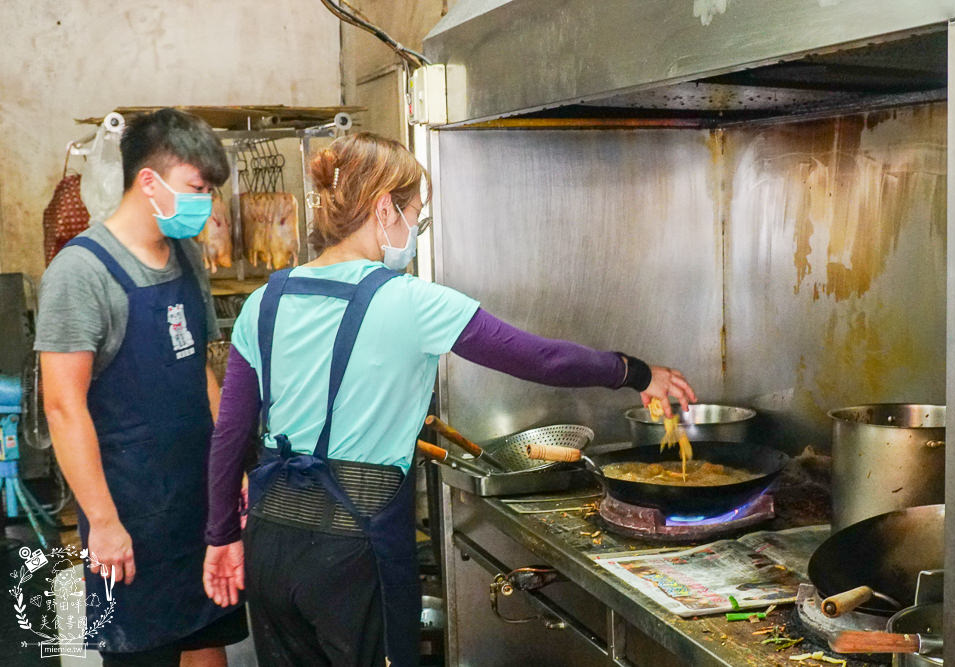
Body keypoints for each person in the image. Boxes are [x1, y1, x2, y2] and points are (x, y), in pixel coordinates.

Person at [201, 132, 698, 667]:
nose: (414, 229)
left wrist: (221, 536)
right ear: (384, 207)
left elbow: (230, 435)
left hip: (272, 545)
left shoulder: (264, 302)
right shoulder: (411, 301)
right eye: (416, 213)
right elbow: (540, 359)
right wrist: (634, 371)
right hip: (354, 550)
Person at [37, 108, 248, 666]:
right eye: (196, 188)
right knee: (143, 652)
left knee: (208, 636)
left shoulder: (186, 255)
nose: (205, 202)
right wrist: (103, 524)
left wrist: (230, 474)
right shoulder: (81, 272)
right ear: (148, 180)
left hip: (197, 502)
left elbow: (200, 371)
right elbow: (62, 407)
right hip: (127, 510)